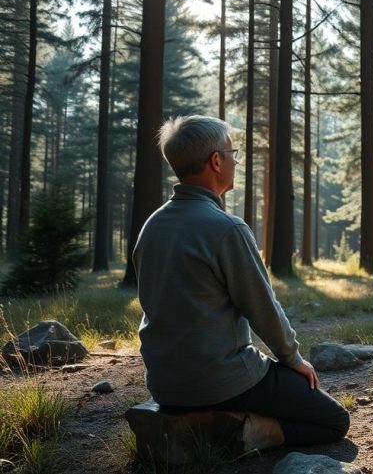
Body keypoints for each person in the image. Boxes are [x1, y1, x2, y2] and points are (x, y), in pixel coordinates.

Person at [132, 115, 349, 455]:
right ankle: (256, 434)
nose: (236, 160)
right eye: (233, 152)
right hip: (223, 379)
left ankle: (198, 425)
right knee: (334, 420)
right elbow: (262, 308)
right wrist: (293, 360)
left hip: (163, 385)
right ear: (216, 161)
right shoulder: (226, 229)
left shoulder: (152, 226)